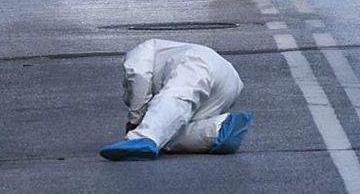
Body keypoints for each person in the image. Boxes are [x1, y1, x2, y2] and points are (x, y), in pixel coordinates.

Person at [99, 39, 252, 161]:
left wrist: (135, 119)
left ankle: (143, 138)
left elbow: (138, 75)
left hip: (198, 61)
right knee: (172, 125)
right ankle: (216, 130)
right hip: (230, 81)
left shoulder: (142, 50)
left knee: (174, 97)